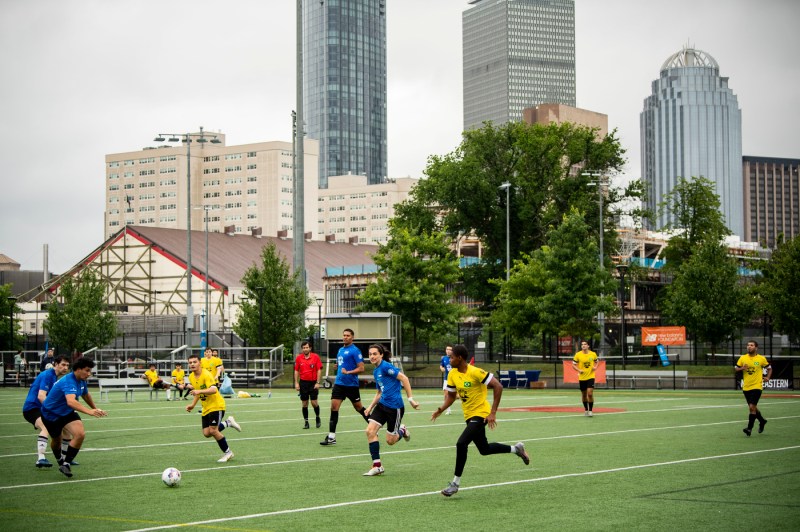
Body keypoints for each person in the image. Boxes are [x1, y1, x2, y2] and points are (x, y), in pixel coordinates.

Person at [431, 344, 530, 497]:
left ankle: (455, 483)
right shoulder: (452, 374)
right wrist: (440, 410)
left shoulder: (475, 372)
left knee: (461, 443)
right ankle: (516, 449)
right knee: (484, 449)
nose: (448, 359)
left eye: (451, 357)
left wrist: (492, 413)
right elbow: (451, 396)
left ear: (460, 358)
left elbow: (498, 386)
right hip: (469, 415)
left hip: (481, 414)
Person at [40, 357, 108, 478]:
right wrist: (89, 411)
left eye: (90, 371)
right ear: (78, 369)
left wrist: (95, 408)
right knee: (57, 440)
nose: (89, 374)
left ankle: (66, 464)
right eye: (87, 370)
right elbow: (71, 402)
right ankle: (59, 460)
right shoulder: (68, 381)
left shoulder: (81, 380)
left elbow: (86, 395)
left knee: (80, 434)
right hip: (51, 414)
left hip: (67, 412)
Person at [362, 344, 420, 476]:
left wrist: (410, 399)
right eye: (370, 354)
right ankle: (377, 466)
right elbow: (379, 392)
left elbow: (404, 378)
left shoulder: (386, 367)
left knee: (390, 441)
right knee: (370, 431)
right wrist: (370, 407)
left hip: (395, 408)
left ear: (381, 355)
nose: (372, 356)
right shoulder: (376, 371)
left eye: (375, 353)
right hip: (382, 406)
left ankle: (402, 430)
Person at [186, 352, 242, 462]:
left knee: (213, 430)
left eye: (194, 362)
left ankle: (228, 453)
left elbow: (213, 389)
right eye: (190, 363)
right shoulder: (191, 376)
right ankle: (228, 423)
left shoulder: (206, 374)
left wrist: (198, 391)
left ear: (200, 363)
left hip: (216, 405)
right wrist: (192, 405)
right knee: (206, 433)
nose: (192, 364)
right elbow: (197, 392)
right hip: (206, 407)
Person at [320, 328, 370, 446]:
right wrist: (337, 366)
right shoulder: (340, 350)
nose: (345, 337)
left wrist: (348, 372)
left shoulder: (355, 350)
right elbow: (340, 364)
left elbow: (361, 368)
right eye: (344, 335)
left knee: (359, 408)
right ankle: (332, 437)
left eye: (348, 335)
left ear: (352, 337)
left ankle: (374, 426)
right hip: (339, 384)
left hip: (351, 385)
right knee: (333, 407)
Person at [22, 356, 71, 468]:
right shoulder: (48, 375)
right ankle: (41, 458)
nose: (66, 367)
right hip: (32, 408)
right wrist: (54, 409)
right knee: (46, 427)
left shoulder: (54, 377)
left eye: (67, 365)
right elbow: (41, 396)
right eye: (63, 365)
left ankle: (65, 459)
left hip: (42, 408)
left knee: (66, 429)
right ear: (55, 364)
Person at [735, 340, 772, 436]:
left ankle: (749, 429)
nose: (749, 347)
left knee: (751, 407)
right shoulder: (743, 358)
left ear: (756, 348)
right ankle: (762, 421)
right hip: (746, 387)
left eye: (751, 345)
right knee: (753, 408)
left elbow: (769, 368)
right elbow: (736, 368)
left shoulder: (761, 359)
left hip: (757, 386)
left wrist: (767, 377)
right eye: (748, 345)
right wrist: (742, 368)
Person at [294, 341, 323, 429]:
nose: (305, 349)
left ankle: (317, 417)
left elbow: (319, 370)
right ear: (302, 349)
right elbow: (296, 371)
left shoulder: (315, 357)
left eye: (307, 347)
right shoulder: (299, 358)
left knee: (314, 403)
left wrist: (318, 383)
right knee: (304, 403)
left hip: (313, 383)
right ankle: (306, 422)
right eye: (304, 348)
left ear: (310, 348)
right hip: (303, 383)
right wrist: (296, 383)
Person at [571, 340, 599, 417]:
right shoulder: (578, 354)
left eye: (585, 344)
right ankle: (586, 409)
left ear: (588, 346)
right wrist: (579, 370)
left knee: (589, 393)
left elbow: (597, 361)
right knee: (584, 395)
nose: (583, 345)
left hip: (591, 376)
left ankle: (590, 410)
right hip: (582, 378)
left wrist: (595, 367)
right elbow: (573, 365)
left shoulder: (593, 354)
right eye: (582, 344)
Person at [439, 345, 454, 415]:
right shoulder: (444, 358)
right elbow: (441, 365)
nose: (448, 351)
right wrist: (441, 368)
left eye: (450, 349)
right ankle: (448, 410)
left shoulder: (454, 358)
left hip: (455, 379)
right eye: (447, 349)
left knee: (458, 395)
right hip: (446, 379)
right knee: (445, 394)